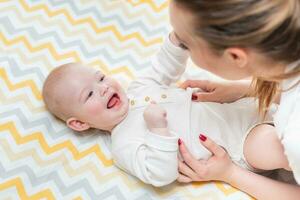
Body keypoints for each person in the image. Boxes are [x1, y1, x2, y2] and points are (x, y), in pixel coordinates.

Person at [42, 33, 289, 187]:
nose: (103, 88)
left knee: (287, 95)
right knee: (280, 147)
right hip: (240, 144)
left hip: (244, 109)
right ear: (80, 123)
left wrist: (177, 41)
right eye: (90, 94)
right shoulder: (123, 144)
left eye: (101, 78)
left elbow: (163, 68)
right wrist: (158, 130)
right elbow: (159, 174)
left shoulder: (138, 88)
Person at [168, 0, 300, 199]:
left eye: (185, 44)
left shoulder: (295, 136)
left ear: (236, 57)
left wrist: (229, 173)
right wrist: (249, 89)